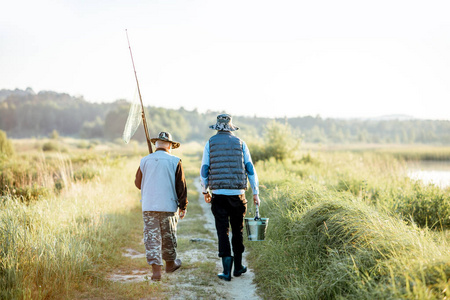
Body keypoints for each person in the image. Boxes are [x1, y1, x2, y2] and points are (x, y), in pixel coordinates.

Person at [200, 114, 261, 281]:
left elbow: (204, 169)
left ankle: (226, 271)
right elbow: (250, 169)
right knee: (238, 231)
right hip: (237, 196)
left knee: (222, 231)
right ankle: (239, 267)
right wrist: (255, 192)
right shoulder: (241, 143)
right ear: (231, 127)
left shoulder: (210, 144)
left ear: (217, 127)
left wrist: (205, 191)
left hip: (218, 196)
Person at [135, 131, 188, 281]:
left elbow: (138, 184)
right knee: (168, 235)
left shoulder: (145, 160)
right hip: (168, 206)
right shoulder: (175, 161)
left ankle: (156, 272)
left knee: (152, 238)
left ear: (156, 144)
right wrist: (183, 206)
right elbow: (181, 187)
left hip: (149, 205)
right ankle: (170, 264)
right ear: (170, 145)